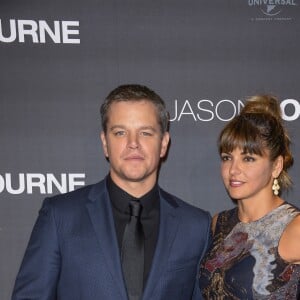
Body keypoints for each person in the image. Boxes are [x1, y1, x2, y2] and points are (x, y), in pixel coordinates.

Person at [12, 84, 211, 300]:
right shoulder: (60, 216)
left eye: (145, 133)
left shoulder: (195, 226)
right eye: (120, 132)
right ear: (105, 143)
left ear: (163, 144)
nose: (133, 144)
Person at [199, 94, 300, 299]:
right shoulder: (219, 223)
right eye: (227, 157)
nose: (233, 170)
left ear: (276, 166)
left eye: (248, 158)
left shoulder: (294, 228)